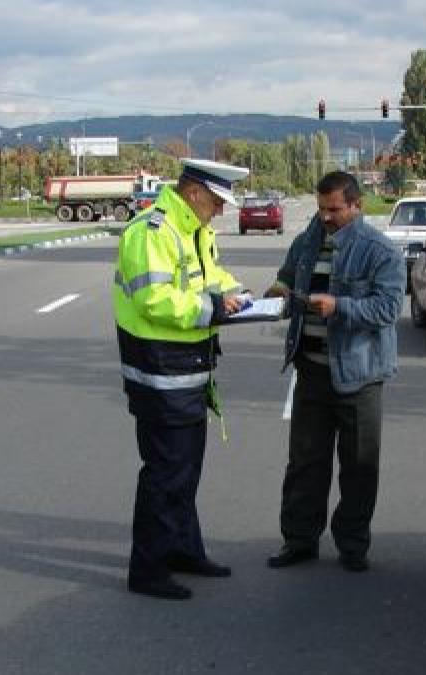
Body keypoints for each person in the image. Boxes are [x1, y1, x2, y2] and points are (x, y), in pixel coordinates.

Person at [112, 158, 250, 600]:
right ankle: (148, 570)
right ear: (194, 193)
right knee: (165, 474)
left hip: (189, 368)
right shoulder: (152, 231)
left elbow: (210, 279)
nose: (221, 211)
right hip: (160, 371)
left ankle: (183, 551)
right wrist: (212, 308)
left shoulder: (193, 228)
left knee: (186, 471)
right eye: (217, 201)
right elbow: (154, 299)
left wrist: (238, 295)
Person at [264, 171, 405, 573]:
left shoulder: (380, 251)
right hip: (311, 372)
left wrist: (338, 306)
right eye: (321, 208)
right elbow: (288, 278)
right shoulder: (308, 240)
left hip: (360, 377)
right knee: (305, 464)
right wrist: (278, 293)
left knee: (359, 468)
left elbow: (389, 310)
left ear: (356, 206)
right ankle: (300, 540)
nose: (325, 217)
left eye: (334, 210)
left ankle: (353, 546)